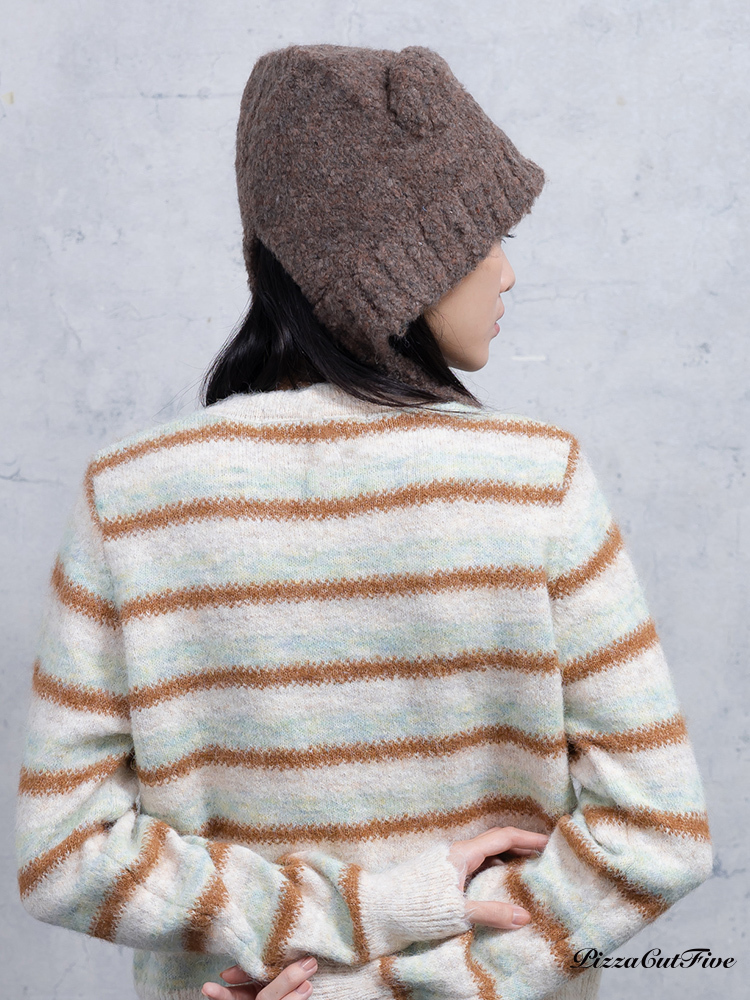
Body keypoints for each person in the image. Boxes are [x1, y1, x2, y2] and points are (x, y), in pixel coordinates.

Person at [14, 42, 712, 1000]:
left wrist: (339, 929)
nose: (507, 272)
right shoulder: (535, 483)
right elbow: (659, 837)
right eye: (481, 238)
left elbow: (65, 854)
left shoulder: (131, 498)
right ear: (396, 264)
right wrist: (404, 967)